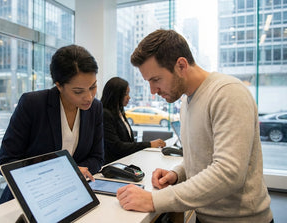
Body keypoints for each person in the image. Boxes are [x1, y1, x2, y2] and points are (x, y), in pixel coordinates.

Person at [116, 29, 273, 223]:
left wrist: (154, 200)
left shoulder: (228, 93)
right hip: (206, 216)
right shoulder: (186, 103)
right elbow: (203, 157)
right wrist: (178, 174)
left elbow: (228, 173)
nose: (153, 90)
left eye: (156, 80)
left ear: (181, 65)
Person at [0, 45, 104, 204]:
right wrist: (67, 172)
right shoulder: (33, 104)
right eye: (78, 91)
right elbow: (6, 162)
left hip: (72, 195)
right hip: (31, 199)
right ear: (59, 85)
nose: (89, 97)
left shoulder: (95, 108)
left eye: (93, 87)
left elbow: (97, 158)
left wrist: (71, 175)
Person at [101, 77, 165, 164]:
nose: (129, 97)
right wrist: (149, 144)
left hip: (125, 162)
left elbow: (129, 142)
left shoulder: (120, 112)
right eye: (126, 94)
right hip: (114, 165)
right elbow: (117, 146)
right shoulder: (105, 114)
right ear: (116, 94)